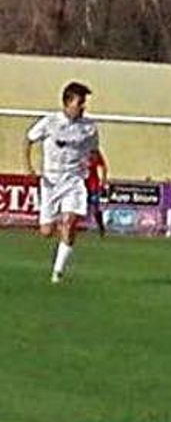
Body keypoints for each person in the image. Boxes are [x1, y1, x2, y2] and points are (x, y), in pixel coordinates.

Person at [23, 82, 100, 284]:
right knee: (46, 232)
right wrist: (29, 167)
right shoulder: (50, 122)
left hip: (74, 180)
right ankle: (58, 222)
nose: (83, 106)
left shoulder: (89, 127)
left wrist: (93, 174)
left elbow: (93, 152)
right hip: (51, 181)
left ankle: (57, 272)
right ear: (67, 103)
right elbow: (29, 140)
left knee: (70, 222)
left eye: (84, 102)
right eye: (79, 102)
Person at [86, 149, 108, 237]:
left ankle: (101, 226)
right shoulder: (79, 151)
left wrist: (103, 181)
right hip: (80, 184)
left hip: (93, 185)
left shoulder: (95, 152)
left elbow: (104, 166)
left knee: (95, 208)